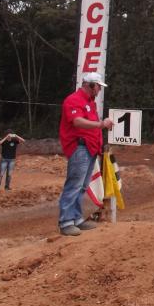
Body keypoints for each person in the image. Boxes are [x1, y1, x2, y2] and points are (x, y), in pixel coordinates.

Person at [58, 72, 114, 236]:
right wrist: (101, 124)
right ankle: (66, 221)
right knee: (74, 185)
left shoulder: (90, 102)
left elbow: (88, 124)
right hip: (79, 147)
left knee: (81, 186)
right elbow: (77, 121)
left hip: (89, 147)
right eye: (98, 87)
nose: (99, 90)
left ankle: (75, 219)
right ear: (90, 85)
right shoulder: (74, 100)